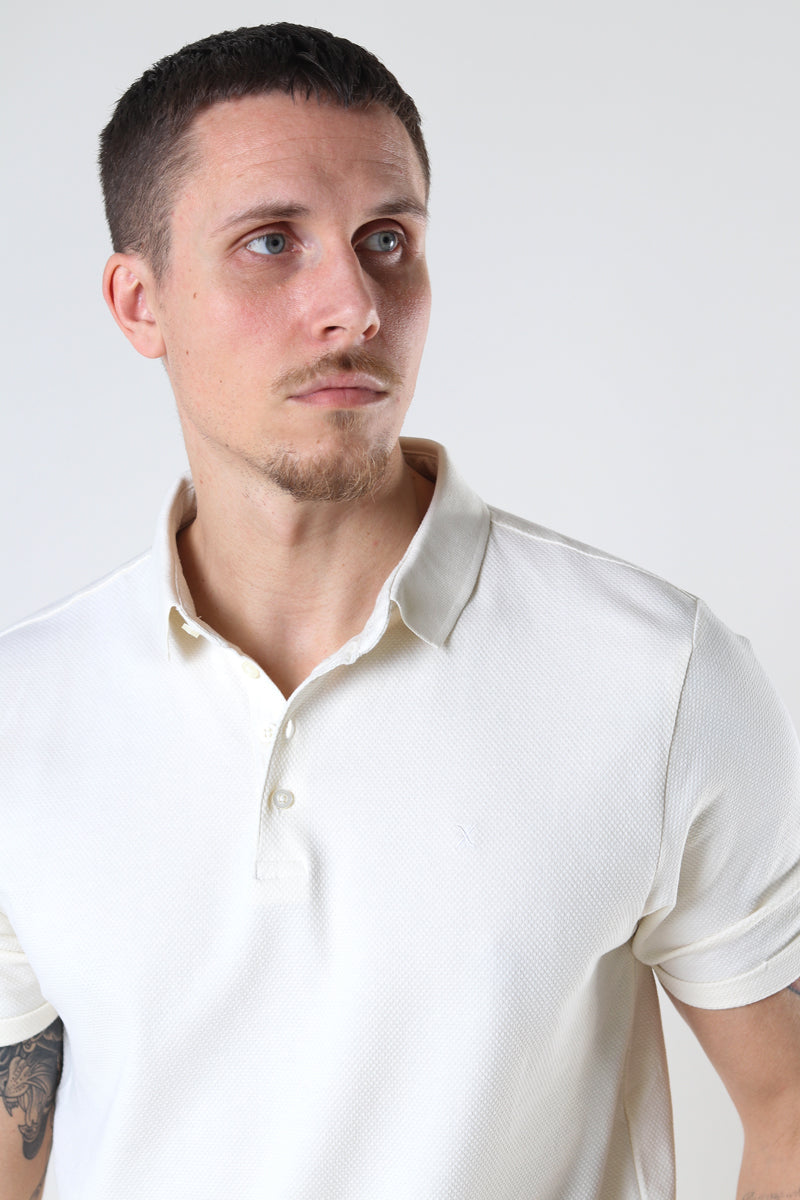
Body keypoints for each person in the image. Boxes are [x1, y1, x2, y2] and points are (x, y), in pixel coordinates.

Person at [1, 21, 798, 1200]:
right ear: (139, 301)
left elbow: (786, 1108)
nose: (354, 306)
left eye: (387, 241)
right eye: (271, 243)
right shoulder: (25, 708)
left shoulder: (656, 677)